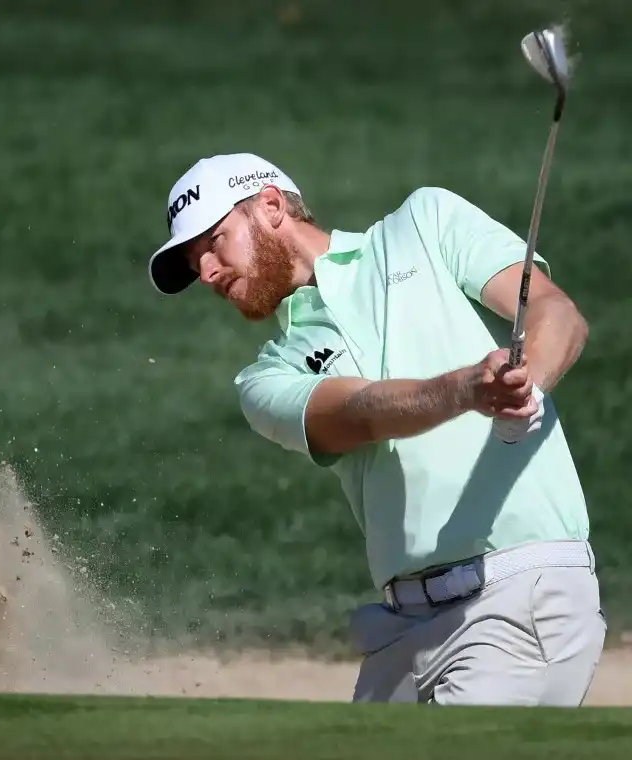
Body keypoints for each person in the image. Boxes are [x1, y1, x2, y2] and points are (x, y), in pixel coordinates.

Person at [147, 152, 605, 706]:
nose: (208, 273)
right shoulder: (267, 376)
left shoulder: (423, 224)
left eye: (214, 243)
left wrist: (528, 382)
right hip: (401, 633)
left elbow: (555, 314)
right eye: (195, 264)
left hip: (516, 593)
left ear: (269, 206)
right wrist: (467, 389)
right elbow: (359, 413)